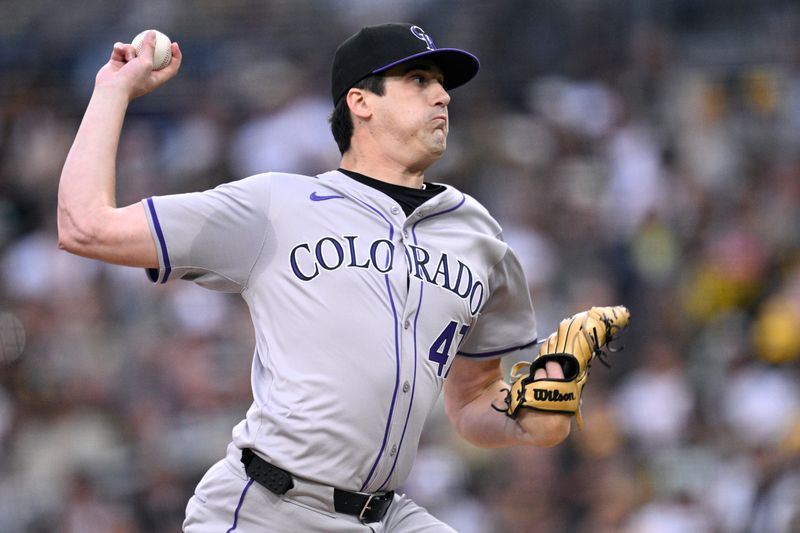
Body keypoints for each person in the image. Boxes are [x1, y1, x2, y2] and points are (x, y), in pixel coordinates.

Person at [58, 23, 571, 532]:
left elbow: (474, 398)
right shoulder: (275, 206)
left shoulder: (477, 234)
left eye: (442, 84)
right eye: (419, 80)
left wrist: (528, 417)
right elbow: (84, 225)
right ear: (360, 101)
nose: (442, 96)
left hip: (385, 514)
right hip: (270, 508)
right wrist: (113, 89)